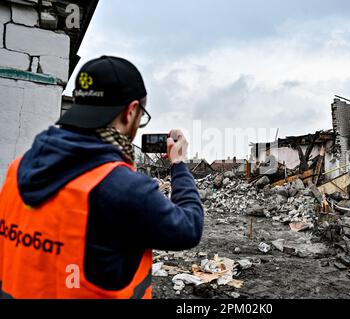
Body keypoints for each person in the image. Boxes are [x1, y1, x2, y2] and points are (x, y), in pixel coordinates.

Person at [0, 56, 204, 299]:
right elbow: (189, 227)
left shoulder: (17, 169)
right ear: (130, 111)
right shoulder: (124, 189)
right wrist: (179, 164)